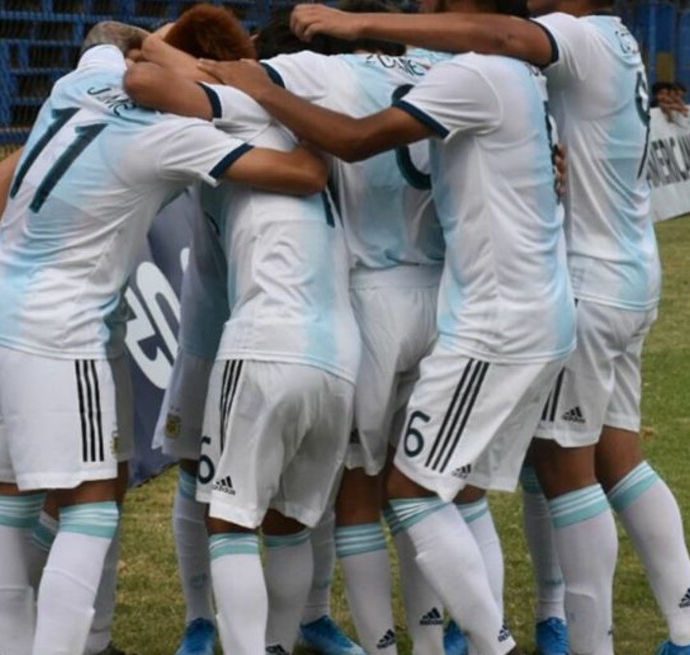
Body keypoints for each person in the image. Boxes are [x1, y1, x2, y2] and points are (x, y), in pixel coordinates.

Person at [289, 4, 690, 655]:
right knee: (613, 457)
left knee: (556, 470)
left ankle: (587, 638)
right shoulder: (611, 41)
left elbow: (496, 35)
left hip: (576, 279)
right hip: (625, 270)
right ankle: (689, 622)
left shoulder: (569, 38)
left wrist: (358, 26)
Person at [199, 0, 574, 650]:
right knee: (455, 493)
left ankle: (398, 643)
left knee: (370, 490)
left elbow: (337, 133)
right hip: (445, 291)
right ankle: (440, 641)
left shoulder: (326, 69)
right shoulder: (459, 68)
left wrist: (248, 76)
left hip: (379, 299)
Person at [0, 20, 327, 655]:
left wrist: (163, 37)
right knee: (92, 506)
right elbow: (303, 175)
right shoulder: (174, 135)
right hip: (60, 329)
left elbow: (0, 177)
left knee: (12, 503)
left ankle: (0, 643)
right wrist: (299, 116)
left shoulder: (85, 78)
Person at [136, 9, 366, 655]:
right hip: (337, 346)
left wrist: (183, 37)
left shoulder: (226, 107)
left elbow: (145, 71)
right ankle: (258, 635)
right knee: (290, 520)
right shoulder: (323, 120)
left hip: (262, 332)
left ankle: (224, 630)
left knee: (229, 517)